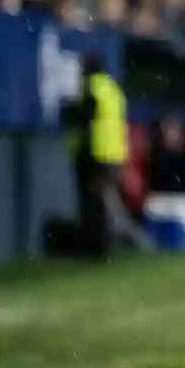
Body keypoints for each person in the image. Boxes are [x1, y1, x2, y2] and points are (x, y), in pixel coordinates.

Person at [64, 53, 134, 259]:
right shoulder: (113, 89)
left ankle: (97, 248)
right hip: (114, 153)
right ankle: (105, 244)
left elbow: (86, 116)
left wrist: (69, 109)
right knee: (105, 202)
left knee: (94, 203)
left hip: (97, 153)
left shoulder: (92, 87)